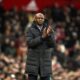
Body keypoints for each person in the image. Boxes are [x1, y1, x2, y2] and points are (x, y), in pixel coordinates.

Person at [25, 13, 55, 80]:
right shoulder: (30, 29)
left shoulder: (49, 29)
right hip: (33, 61)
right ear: (35, 19)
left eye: (42, 18)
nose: (41, 19)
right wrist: (42, 38)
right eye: (39, 18)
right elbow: (30, 43)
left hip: (45, 61)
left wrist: (49, 36)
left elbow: (53, 44)